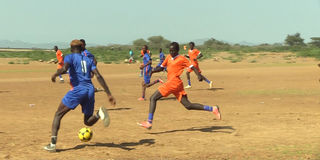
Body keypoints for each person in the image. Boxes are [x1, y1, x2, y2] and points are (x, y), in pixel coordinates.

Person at [44, 40, 116, 152]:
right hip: (90, 90)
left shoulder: (70, 57)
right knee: (87, 121)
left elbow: (64, 68)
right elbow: (98, 75)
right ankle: (98, 114)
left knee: (58, 114)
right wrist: (109, 93)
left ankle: (52, 145)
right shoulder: (88, 59)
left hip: (78, 90)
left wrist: (55, 74)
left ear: (72, 48)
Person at [138, 42, 221, 129]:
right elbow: (161, 67)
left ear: (177, 50)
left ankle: (149, 122)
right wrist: (153, 70)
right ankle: (213, 109)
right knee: (188, 105)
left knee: (153, 98)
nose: (171, 52)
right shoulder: (168, 57)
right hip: (177, 85)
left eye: (173, 51)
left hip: (173, 83)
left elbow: (192, 67)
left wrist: (198, 75)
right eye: (170, 50)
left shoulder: (182, 59)